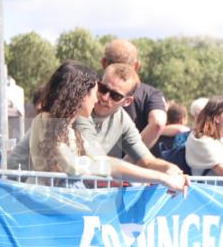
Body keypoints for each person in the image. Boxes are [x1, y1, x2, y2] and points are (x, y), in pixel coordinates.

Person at [28, 61, 189, 193]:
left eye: (115, 95)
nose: (103, 98)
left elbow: (146, 161)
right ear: (80, 94)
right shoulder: (62, 121)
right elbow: (99, 164)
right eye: (102, 89)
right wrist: (161, 178)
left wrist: (173, 171)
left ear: (127, 101)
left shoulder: (70, 125)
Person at [102, 39, 167, 153]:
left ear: (103, 62)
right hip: (138, 166)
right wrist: (133, 155)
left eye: (116, 96)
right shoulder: (151, 94)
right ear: (137, 66)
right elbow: (158, 122)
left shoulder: (90, 91)